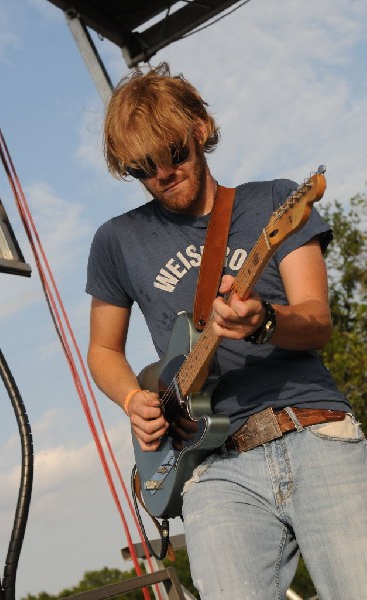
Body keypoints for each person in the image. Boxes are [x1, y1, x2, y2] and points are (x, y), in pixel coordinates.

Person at [86, 62, 367, 599]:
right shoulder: (116, 241)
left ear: (201, 127)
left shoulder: (275, 203)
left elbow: (317, 322)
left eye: (172, 154)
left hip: (312, 429)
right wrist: (131, 401)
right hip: (211, 468)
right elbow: (103, 349)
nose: (164, 174)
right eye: (145, 168)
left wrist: (264, 322)